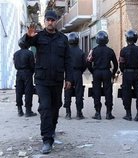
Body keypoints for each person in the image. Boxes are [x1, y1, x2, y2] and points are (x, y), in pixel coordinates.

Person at [20, 10, 72, 154]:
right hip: (42, 79)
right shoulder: (38, 36)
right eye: (48, 20)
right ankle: (47, 140)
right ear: (44, 21)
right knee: (45, 107)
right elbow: (25, 43)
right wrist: (27, 36)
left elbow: (68, 60)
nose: (50, 22)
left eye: (53, 20)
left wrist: (69, 78)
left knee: (56, 107)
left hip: (57, 79)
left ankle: (52, 129)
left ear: (56, 21)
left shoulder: (62, 39)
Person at [87, 30, 118, 120]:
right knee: (108, 92)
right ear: (107, 40)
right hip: (106, 72)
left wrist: (93, 71)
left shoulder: (93, 51)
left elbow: (88, 63)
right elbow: (115, 64)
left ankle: (97, 113)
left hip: (97, 72)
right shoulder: (110, 51)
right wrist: (112, 73)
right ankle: (109, 113)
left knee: (96, 92)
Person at [119, 30, 138, 121]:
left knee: (126, 94)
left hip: (127, 74)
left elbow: (121, 64)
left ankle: (128, 114)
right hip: (137, 74)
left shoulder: (123, 50)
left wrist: (123, 71)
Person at [63, 32, 86, 120]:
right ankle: (79, 113)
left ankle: (68, 113)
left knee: (67, 92)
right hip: (78, 73)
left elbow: (63, 63)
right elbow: (85, 64)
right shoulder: (80, 52)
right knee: (79, 93)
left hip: (68, 74)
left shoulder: (66, 52)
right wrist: (80, 71)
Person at [13, 39, 37, 117]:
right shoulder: (30, 53)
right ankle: (28, 110)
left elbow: (15, 65)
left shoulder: (16, 53)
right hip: (27, 73)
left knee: (19, 91)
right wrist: (32, 72)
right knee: (28, 91)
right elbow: (32, 65)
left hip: (19, 73)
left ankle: (19, 110)